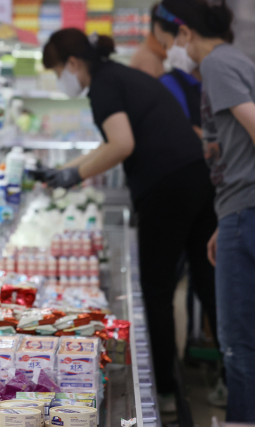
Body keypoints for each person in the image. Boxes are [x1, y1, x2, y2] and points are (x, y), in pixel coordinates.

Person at [38, 28, 218, 412]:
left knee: (156, 288)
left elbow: (121, 145)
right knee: (208, 281)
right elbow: (110, 144)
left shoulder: (103, 87)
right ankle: (233, 380)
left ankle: (165, 392)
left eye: (56, 71)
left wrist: (74, 175)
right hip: (196, 177)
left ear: (73, 63)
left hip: (166, 188)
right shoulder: (119, 75)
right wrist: (64, 172)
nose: (59, 80)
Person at [160, 0, 255, 421]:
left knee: (239, 346)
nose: (170, 51)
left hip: (245, 208)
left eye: (169, 40)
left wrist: (240, 213)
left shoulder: (216, 63)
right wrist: (227, 221)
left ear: (185, 32)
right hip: (239, 211)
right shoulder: (235, 58)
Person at [153, 4, 203, 137]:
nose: (167, 52)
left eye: (165, 44)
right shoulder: (171, 82)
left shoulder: (220, 69)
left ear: (185, 33)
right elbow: (183, 128)